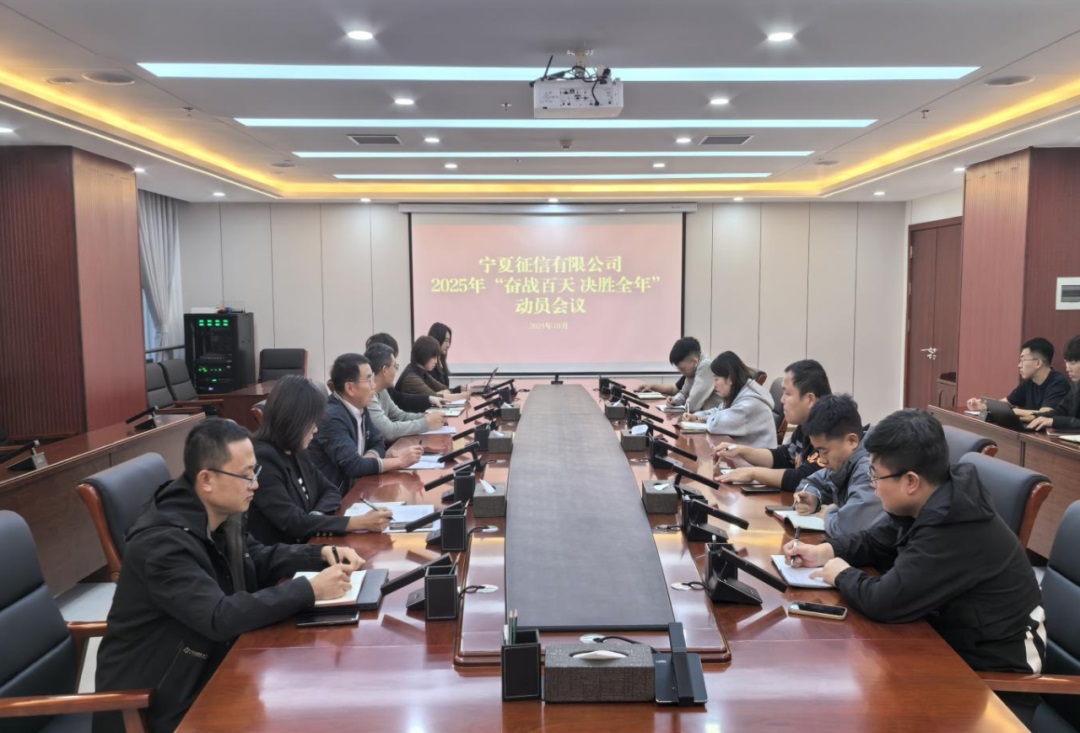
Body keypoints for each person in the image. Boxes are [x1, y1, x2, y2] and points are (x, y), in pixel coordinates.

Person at [94, 418, 362, 733]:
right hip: (159, 701)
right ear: (207, 479)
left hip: (210, 663)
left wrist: (318, 555)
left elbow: (256, 557)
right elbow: (218, 616)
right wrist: (309, 590)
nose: (255, 485)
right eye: (246, 475)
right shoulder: (162, 544)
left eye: (255, 473)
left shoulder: (217, 513)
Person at [783, 409, 1045, 674]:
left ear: (910, 481)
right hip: (949, 640)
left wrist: (842, 574)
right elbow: (876, 541)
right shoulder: (930, 497)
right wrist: (825, 551)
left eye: (876, 476)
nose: (873, 486)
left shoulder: (952, 525)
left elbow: (884, 602)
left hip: (997, 669)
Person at [248, 375, 393, 545]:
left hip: (311, 544)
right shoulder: (263, 459)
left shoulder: (297, 450)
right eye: (312, 422)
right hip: (284, 554)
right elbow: (293, 523)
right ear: (294, 419)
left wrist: (315, 517)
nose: (316, 429)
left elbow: (330, 491)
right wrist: (358, 523)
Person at [309, 353, 424, 491]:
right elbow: (354, 466)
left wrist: (368, 460)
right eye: (369, 380)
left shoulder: (360, 407)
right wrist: (400, 461)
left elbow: (378, 442)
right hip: (337, 497)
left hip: (358, 488)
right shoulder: (332, 418)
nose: (373, 385)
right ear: (350, 388)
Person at [716, 359, 831, 490]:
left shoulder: (829, 431)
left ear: (809, 399)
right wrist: (741, 450)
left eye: (787, 394)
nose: (782, 400)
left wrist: (753, 473)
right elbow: (784, 457)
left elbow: (803, 478)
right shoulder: (807, 424)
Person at [789, 394, 884, 537]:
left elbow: (852, 526)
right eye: (818, 451)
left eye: (824, 451)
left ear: (852, 441)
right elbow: (811, 482)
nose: (822, 460)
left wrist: (829, 515)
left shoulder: (870, 468)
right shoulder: (844, 460)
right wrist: (813, 498)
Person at [965, 337, 1071, 420]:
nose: (1019, 365)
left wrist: (1013, 411)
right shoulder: (1029, 382)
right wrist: (981, 405)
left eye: (1023, 360)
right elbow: (1005, 403)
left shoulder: (1059, 383)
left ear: (1038, 363)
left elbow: (1045, 415)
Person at [691, 351, 776, 448]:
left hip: (757, 456)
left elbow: (716, 425)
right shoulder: (740, 392)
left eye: (716, 379)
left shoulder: (749, 404)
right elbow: (719, 411)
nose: (714, 385)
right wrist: (696, 416)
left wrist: (706, 419)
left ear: (730, 379)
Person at [366, 342, 447, 441]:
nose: (396, 371)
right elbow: (389, 431)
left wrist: (426, 416)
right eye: (395, 366)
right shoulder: (368, 396)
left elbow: (400, 416)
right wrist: (426, 423)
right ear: (385, 370)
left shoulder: (382, 391)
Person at [366, 332, 445, 410]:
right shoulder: (370, 394)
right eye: (394, 364)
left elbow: (398, 410)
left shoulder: (384, 390)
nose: (395, 370)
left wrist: (430, 400)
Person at [1028, 334, 1080, 432]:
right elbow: (1060, 411)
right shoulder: (1076, 387)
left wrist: (1055, 421)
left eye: (1073, 363)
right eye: (1066, 362)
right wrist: (1035, 417)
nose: (1067, 368)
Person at [665, 337, 722, 413]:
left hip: (715, 417)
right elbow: (684, 393)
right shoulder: (692, 370)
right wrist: (674, 400)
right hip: (702, 416)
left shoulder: (706, 366)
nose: (681, 372)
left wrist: (683, 404)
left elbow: (693, 403)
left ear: (694, 361)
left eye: (682, 369)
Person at [427, 322, 465, 393]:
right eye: (446, 341)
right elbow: (436, 393)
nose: (448, 345)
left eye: (449, 341)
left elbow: (444, 391)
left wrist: (459, 389)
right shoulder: (429, 366)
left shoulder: (441, 364)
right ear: (437, 339)